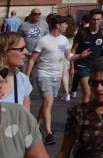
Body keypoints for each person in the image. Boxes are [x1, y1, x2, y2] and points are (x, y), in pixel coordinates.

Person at [26, 14, 72, 145]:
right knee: (48, 101)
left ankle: (35, 126)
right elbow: (32, 60)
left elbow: (69, 56)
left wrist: (81, 56)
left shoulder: (64, 40)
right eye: (64, 23)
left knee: (47, 104)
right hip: (43, 74)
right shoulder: (43, 40)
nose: (67, 25)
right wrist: (26, 77)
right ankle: (48, 133)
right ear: (58, 25)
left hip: (56, 75)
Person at [73, 9, 103, 103]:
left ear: (101, 20)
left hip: (96, 67)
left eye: (98, 19)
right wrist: (71, 67)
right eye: (94, 19)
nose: (96, 22)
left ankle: (92, 114)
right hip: (82, 65)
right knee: (87, 92)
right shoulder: (82, 32)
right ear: (90, 20)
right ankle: (84, 116)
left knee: (94, 93)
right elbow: (73, 50)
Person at [0, 30, 32, 110]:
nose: (26, 52)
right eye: (21, 49)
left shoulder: (22, 79)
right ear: (4, 51)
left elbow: (26, 118)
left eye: (25, 48)